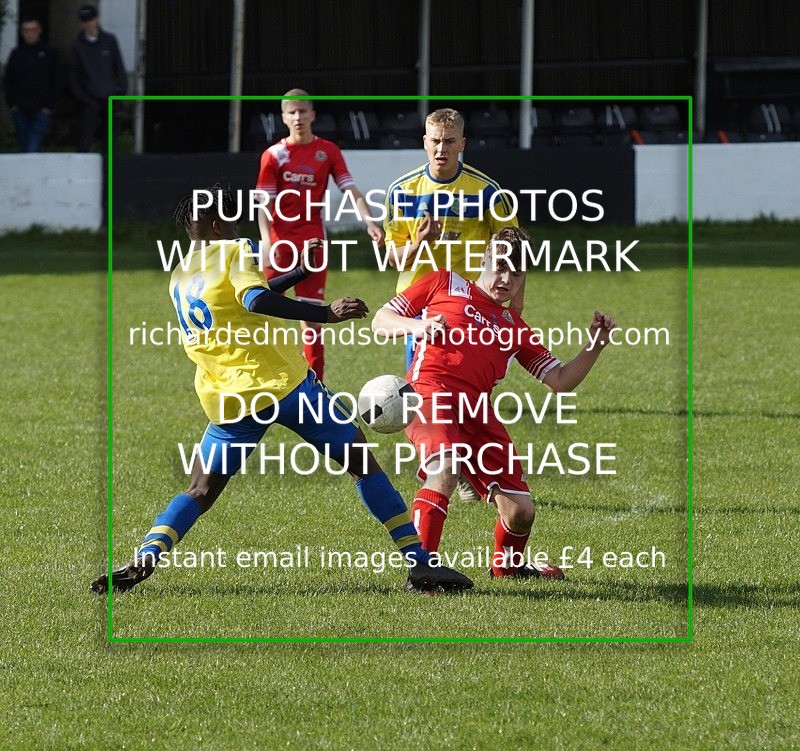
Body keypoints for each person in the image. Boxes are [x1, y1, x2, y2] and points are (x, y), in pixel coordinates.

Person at [91, 185, 472, 596]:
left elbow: (240, 300)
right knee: (362, 463)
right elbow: (253, 300)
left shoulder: (181, 273)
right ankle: (418, 563)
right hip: (286, 386)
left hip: (231, 400)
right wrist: (323, 314)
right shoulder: (235, 250)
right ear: (219, 225)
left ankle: (146, 556)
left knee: (200, 489)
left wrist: (298, 274)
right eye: (231, 221)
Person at [372, 227, 617, 585]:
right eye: (499, 267)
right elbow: (381, 320)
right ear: (483, 262)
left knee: (521, 513)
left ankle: (508, 568)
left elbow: (560, 381)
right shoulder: (444, 283)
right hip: (429, 393)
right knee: (446, 468)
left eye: (515, 274)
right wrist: (419, 325)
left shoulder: (513, 326)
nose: (505, 279)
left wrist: (595, 344)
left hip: (476, 411)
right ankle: (422, 572)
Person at [383, 107, 520, 500]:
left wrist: (513, 314)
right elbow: (394, 259)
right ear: (424, 142)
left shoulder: (488, 192)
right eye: (434, 141)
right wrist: (421, 240)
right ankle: (442, 462)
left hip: (472, 307)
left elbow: (515, 253)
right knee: (427, 389)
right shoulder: (402, 191)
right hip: (421, 307)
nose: (441, 149)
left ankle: (461, 464)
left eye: (449, 141)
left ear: (463, 143)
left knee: (470, 387)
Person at [256, 89, 384, 381]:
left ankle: (315, 388)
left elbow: (350, 189)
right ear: (284, 118)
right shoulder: (273, 155)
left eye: (303, 111)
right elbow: (263, 203)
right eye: (292, 112)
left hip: (313, 245)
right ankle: (263, 381)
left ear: (313, 115)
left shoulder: (328, 151)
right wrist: (266, 241)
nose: (298, 117)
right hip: (279, 246)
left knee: (313, 320)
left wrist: (370, 222)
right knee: (262, 316)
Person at [68, 4, 127, 153]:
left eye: (90, 19)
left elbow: (119, 69)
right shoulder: (77, 46)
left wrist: (119, 94)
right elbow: (74, 77)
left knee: (110, 144)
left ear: (96, 19)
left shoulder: (109, 41)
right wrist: (85, 98)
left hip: (111, 99)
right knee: (84, 141)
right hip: (90, 100)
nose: (88, 24)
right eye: (85, 21)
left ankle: (108, 174)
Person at [2, 16, 59, 153]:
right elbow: (7, 80)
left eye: (32, 30)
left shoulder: (49, 52)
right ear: (22, 32)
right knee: (24, 146)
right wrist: (12, 105)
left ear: (39, 31)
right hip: (20, 110)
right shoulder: (16, 53)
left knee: (31, 148)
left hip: (41, 110)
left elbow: (57, 80)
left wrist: (49, 105)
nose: (29, 33)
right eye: (26, 30)